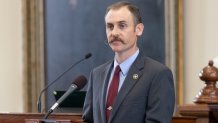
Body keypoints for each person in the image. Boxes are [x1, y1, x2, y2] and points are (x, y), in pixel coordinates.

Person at [82, 1, 175, 123]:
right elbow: (88, 119)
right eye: (110, 26)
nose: (114, 33)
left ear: (139, 29)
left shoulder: (158, 74)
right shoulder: (97, 74)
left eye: (122, 25)